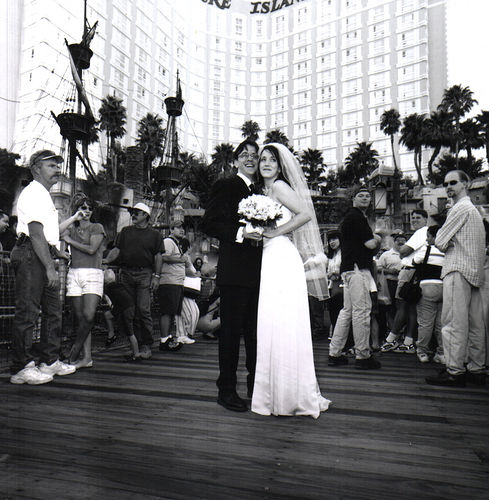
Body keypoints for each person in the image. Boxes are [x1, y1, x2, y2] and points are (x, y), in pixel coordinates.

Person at [251, 143, 331, 418]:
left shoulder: (280, 187)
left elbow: (306, 214)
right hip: (267, 257)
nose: (266, 163)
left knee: (283, 323)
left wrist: (276, 233)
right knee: (271, 323)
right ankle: (274, 394)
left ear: (280, 165)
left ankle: (289, 396)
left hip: (282, 257)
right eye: (263, 159)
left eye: (272, 160)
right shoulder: (260, 192)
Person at [201, 139, 262, 412]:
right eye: (244, 155)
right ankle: (225, 389)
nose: (250, 159)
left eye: (254, 155)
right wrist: (240, 234)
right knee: (230, 332)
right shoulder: (226, 185)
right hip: (235, 270)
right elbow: (209, 222)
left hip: (260, 271)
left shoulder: (262, 190)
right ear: (236, 160)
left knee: (253, 332)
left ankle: (255, 385)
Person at [9, 150, 76, 384]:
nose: (58, 169)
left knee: (53, 310)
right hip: (31, 253)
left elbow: (44, 234)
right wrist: (49, 267)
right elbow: (35, 233)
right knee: (27, 312)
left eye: (58, 165)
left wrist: (55, 252)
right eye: (51, 165)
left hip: (41, 253)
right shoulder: (34, 193)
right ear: (36, 168)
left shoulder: (44, 195)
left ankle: (48, 361)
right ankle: (21, 367)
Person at [426, 170, 486, 387]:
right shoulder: (474, 210)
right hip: (475, 271)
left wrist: (447, 241)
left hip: (457, 268)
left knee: (452, 322)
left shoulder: (459, 208)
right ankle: (476, 369)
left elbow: (439, 240)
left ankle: (455, 370)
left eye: (453, 182)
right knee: (475, 323)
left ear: (465, 184)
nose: (449, 186)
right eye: (446, 183)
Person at [327, 186, 382, 370]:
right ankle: (363, 355)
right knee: (362, 311)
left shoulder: (349, 218)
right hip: (358, 269)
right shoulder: (357, 217)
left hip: (348, 269)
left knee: (347, 311)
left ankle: (335, 353)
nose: (365, 198)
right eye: (361, 195)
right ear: (354, 199)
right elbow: (370, 244)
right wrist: (379, 239)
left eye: (368, 195)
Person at [103, 202, 163, 359]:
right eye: (132, 212)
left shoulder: (155, 235)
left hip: (145, 274)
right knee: (129, 310)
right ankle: (135, 345)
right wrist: (104, 262)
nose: (133, 215)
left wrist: (157, 276)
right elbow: (116, 250)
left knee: (143, 310)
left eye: (137, 212)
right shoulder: (125, 232)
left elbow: (158, 256)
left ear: (145, 215)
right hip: (126, 273)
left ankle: (146, 345)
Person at [62, 194, 106, 368]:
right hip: (74, 273)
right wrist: (73, 218)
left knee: (89, 315)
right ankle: (86, 358)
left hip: (92, 273)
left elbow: (91, 249)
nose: (86, 211)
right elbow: (56, 232)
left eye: (89, 208)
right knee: (80, 318)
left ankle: (75, 349)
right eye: (83, 207)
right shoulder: (72, 227)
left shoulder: (97, 227)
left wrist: (70, 241)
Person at [381, 210, 428, 353]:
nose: (414, 220)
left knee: (401, 306)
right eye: (412, 217)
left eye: (418, 218)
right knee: (411, 308)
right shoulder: (424, 233)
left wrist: (403, 250)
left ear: (426, 219)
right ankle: (408, 341)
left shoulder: (421, 232)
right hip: (415, 271)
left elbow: (403, 252)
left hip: (408, 271)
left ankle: (391, 339)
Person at [413, 225, 445, 364]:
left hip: (426, 286)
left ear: (433, 237)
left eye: (428, 236)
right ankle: (442, 353)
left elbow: (414, 261)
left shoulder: (426, 249)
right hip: (444, 287)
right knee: (441, 324)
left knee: (425, 323)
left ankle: (422, 352)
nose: (427, 239)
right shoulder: (448, 251)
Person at [325, 229, 343, 335]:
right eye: (330, 240)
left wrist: (336, 274)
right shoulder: (331, 256)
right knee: (333, 311)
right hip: (332, 286)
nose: (332, 242)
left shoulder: (343, 254)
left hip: (341, 284)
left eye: (334, 239)